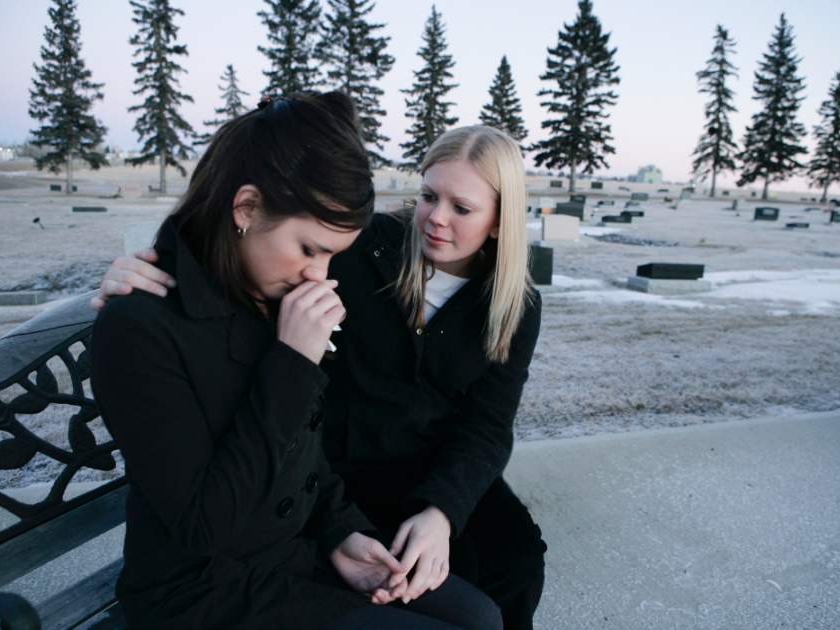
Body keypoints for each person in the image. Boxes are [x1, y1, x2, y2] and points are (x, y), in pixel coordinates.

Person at [93, 125, 545, 630]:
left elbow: (487, 423)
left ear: (500, 222)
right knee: (446, 576)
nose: (435, 218)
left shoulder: (512, 305)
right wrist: (151, 267)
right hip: (345, 463)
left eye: (461, 208)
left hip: (420, 466)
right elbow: (257, 210)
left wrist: (442, 511)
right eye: (427, 196)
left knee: (515, 564)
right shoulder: (357, 247)